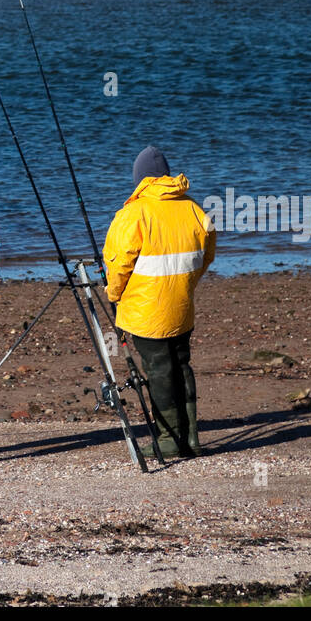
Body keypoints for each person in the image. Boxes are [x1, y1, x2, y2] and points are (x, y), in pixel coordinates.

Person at [103, 145, 216, 459]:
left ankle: (167, 439)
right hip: (181, 305)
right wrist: (184, 285)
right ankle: (190, 437)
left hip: (145, 311)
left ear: (139, 179)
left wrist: (113, 295)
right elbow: (206, 256)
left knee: (159, 371)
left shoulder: (133, 214)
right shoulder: (194, 209)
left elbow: (118, 264)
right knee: (181, 366)